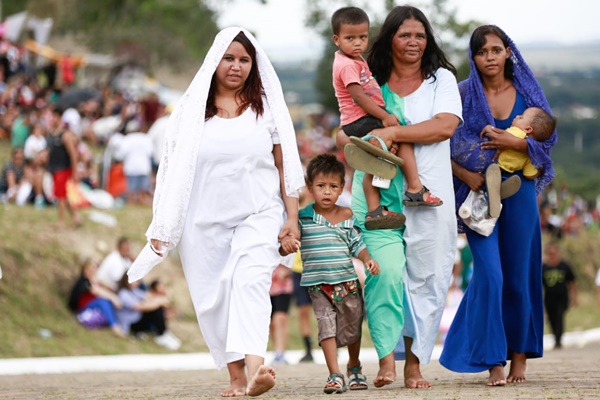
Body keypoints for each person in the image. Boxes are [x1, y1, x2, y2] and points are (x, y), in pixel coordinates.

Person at [127, 27, 305, 397]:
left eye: (244, 59)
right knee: (214, 297)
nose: (236, 66)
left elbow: (285, 163)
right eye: (229, 58)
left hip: (259, 213)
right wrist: (164, 222)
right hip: (202, 223)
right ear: (214, 60)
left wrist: (291, 216)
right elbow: (172, 170)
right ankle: (236, 378)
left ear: (254, 65)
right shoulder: (190, 114)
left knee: (249, 281)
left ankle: (258, 370)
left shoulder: (267, 109)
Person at [335, 6, 462, 389]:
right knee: (385, 275)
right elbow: (345, 132)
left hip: (430, 192)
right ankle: (388, 361)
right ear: (389, 37)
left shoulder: (441, 79)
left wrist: (391, 135)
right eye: (405, 34)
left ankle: (415, 364)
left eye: (420, 35)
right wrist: (376, 137)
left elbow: (444, 127)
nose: (413, 42)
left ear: (429, 40)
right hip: (376, 196)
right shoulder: (369, 79)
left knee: (427, 277)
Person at [439, 25, 557, 386]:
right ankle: (494, 362)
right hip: (476, 198)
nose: (489, 57)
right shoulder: (461, 95)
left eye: (495, 49)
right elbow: (441, 147)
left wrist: (518, 144)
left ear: (508, 52)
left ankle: (519, 356)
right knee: (490, 276)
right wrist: (465, 173)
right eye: (481, 51)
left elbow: (547, 139)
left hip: (519, 195)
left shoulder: (528, 93)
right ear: (473, 58)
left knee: (519, 279)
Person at [331, 7, 441, 231]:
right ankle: (414, 187)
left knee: (378, 160)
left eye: (362, 37)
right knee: (403, 136)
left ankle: (375, 211)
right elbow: (359, 97)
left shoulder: (353, 59)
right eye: (350, 38)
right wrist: (385, 117)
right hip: (362, 119)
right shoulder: (347, 65)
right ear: (336, 39)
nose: (358, 43)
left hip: (361, 120)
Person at [282, 153, 379, 393]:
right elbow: (290, 238)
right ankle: (334, 374)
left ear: (341, 188)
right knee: (326, 327)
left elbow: (357, 244)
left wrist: (368, 259)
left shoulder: (347, 215)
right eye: (321, 186)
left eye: (333, 187)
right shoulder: (303, 217)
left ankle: (354, 366)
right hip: (318, 285)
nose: (327, 192)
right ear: (310, 187)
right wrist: (287, 243)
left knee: (352, 327)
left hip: (347, 283)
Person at [115, 274, 181, 350]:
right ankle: (161, 336)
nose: (137, 283)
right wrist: (157, 302)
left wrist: (161, 297)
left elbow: (148, 296)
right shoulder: (123, 294)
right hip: (132, 323)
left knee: (158, 308)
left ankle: (164, 333)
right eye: (136, 281)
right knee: (155, 309)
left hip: (139, 318)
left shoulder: (134, 291)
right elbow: (139, 307)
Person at [67, 258, 125, 337]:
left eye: (95, 268)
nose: (94, 270)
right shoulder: (84, 281)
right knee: (103, 301)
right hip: (81, 309)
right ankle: (114, 326)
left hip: (91, 306)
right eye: (92, 268)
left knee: (106, 302)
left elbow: (108, 287)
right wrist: (113, 297)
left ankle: (115, 323)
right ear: (85, 269)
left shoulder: (93, 280)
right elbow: (97, 291)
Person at [46, 107, 82, 227]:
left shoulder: (65, 135)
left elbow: (73, 154)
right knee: (62, 195)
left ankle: (61, 221)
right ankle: (75, 217)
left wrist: (75, 171)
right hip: (54, 168)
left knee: (60, 196)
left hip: (63, 168)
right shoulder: (52, 133)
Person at [541, 242, 577, 349]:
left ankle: (558, 340)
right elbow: (539, 285)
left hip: (562, 297)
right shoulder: (544, 268)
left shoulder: (564, 266)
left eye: (554, 253)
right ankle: (555, 337)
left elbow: (572, 282)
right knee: (552, 318)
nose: (552, 255)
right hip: (549, 297)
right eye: (550, 253)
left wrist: (574, 297)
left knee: (559, 316)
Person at [268, 262, 294, 365]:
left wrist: (289, 271)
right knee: (270, 322)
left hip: (283, 284)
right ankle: (276, 350)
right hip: (266, 284)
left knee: (280, 319)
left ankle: (280, 353)